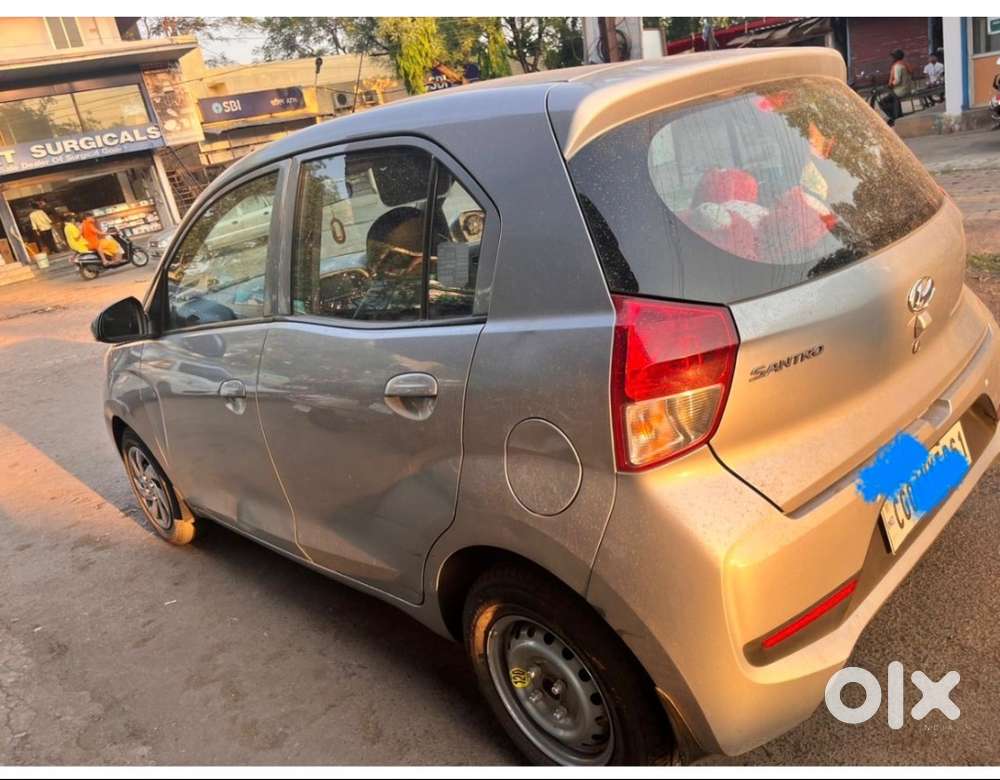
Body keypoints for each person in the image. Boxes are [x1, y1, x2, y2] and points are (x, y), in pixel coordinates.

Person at [885, 49, 913, 126]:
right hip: (907, 89)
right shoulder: (905, 64)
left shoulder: (897, 66)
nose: (891, 59)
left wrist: (890, 85)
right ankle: (897, 115)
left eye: (893, 57)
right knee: (892, 99)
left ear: (895, 57)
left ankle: (894, 117)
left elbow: (897, 80)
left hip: (900, 91)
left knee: (883, 101)